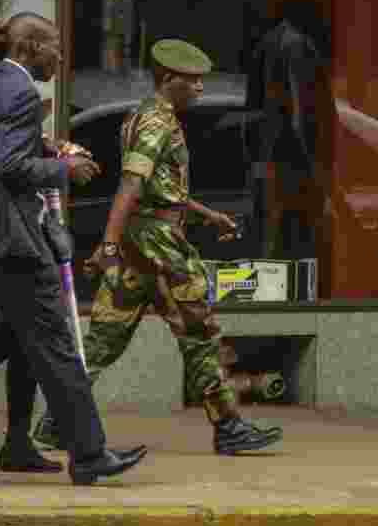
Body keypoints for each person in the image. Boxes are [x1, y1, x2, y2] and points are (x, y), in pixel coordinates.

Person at [32, 39, 284, 455]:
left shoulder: (141, 116)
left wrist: (206, 215)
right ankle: (228, 426)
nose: (200, 88)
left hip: (141, 241)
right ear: (168, 79)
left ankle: (58, 421)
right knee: (200, 330)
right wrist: (107, 244)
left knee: (104, 338)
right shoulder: (157, 124)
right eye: (193, 81)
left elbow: (157, 189)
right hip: (158, 245)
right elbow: (131, 184)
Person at [0, 12, 148, 486]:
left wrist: (46, 147)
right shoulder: (22, 92)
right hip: (14, 242)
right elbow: (9, 165)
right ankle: (89, 454)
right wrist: (64, 170)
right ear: (31, 47)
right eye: (55, 47)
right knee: (56, 346)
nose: (60, 57)